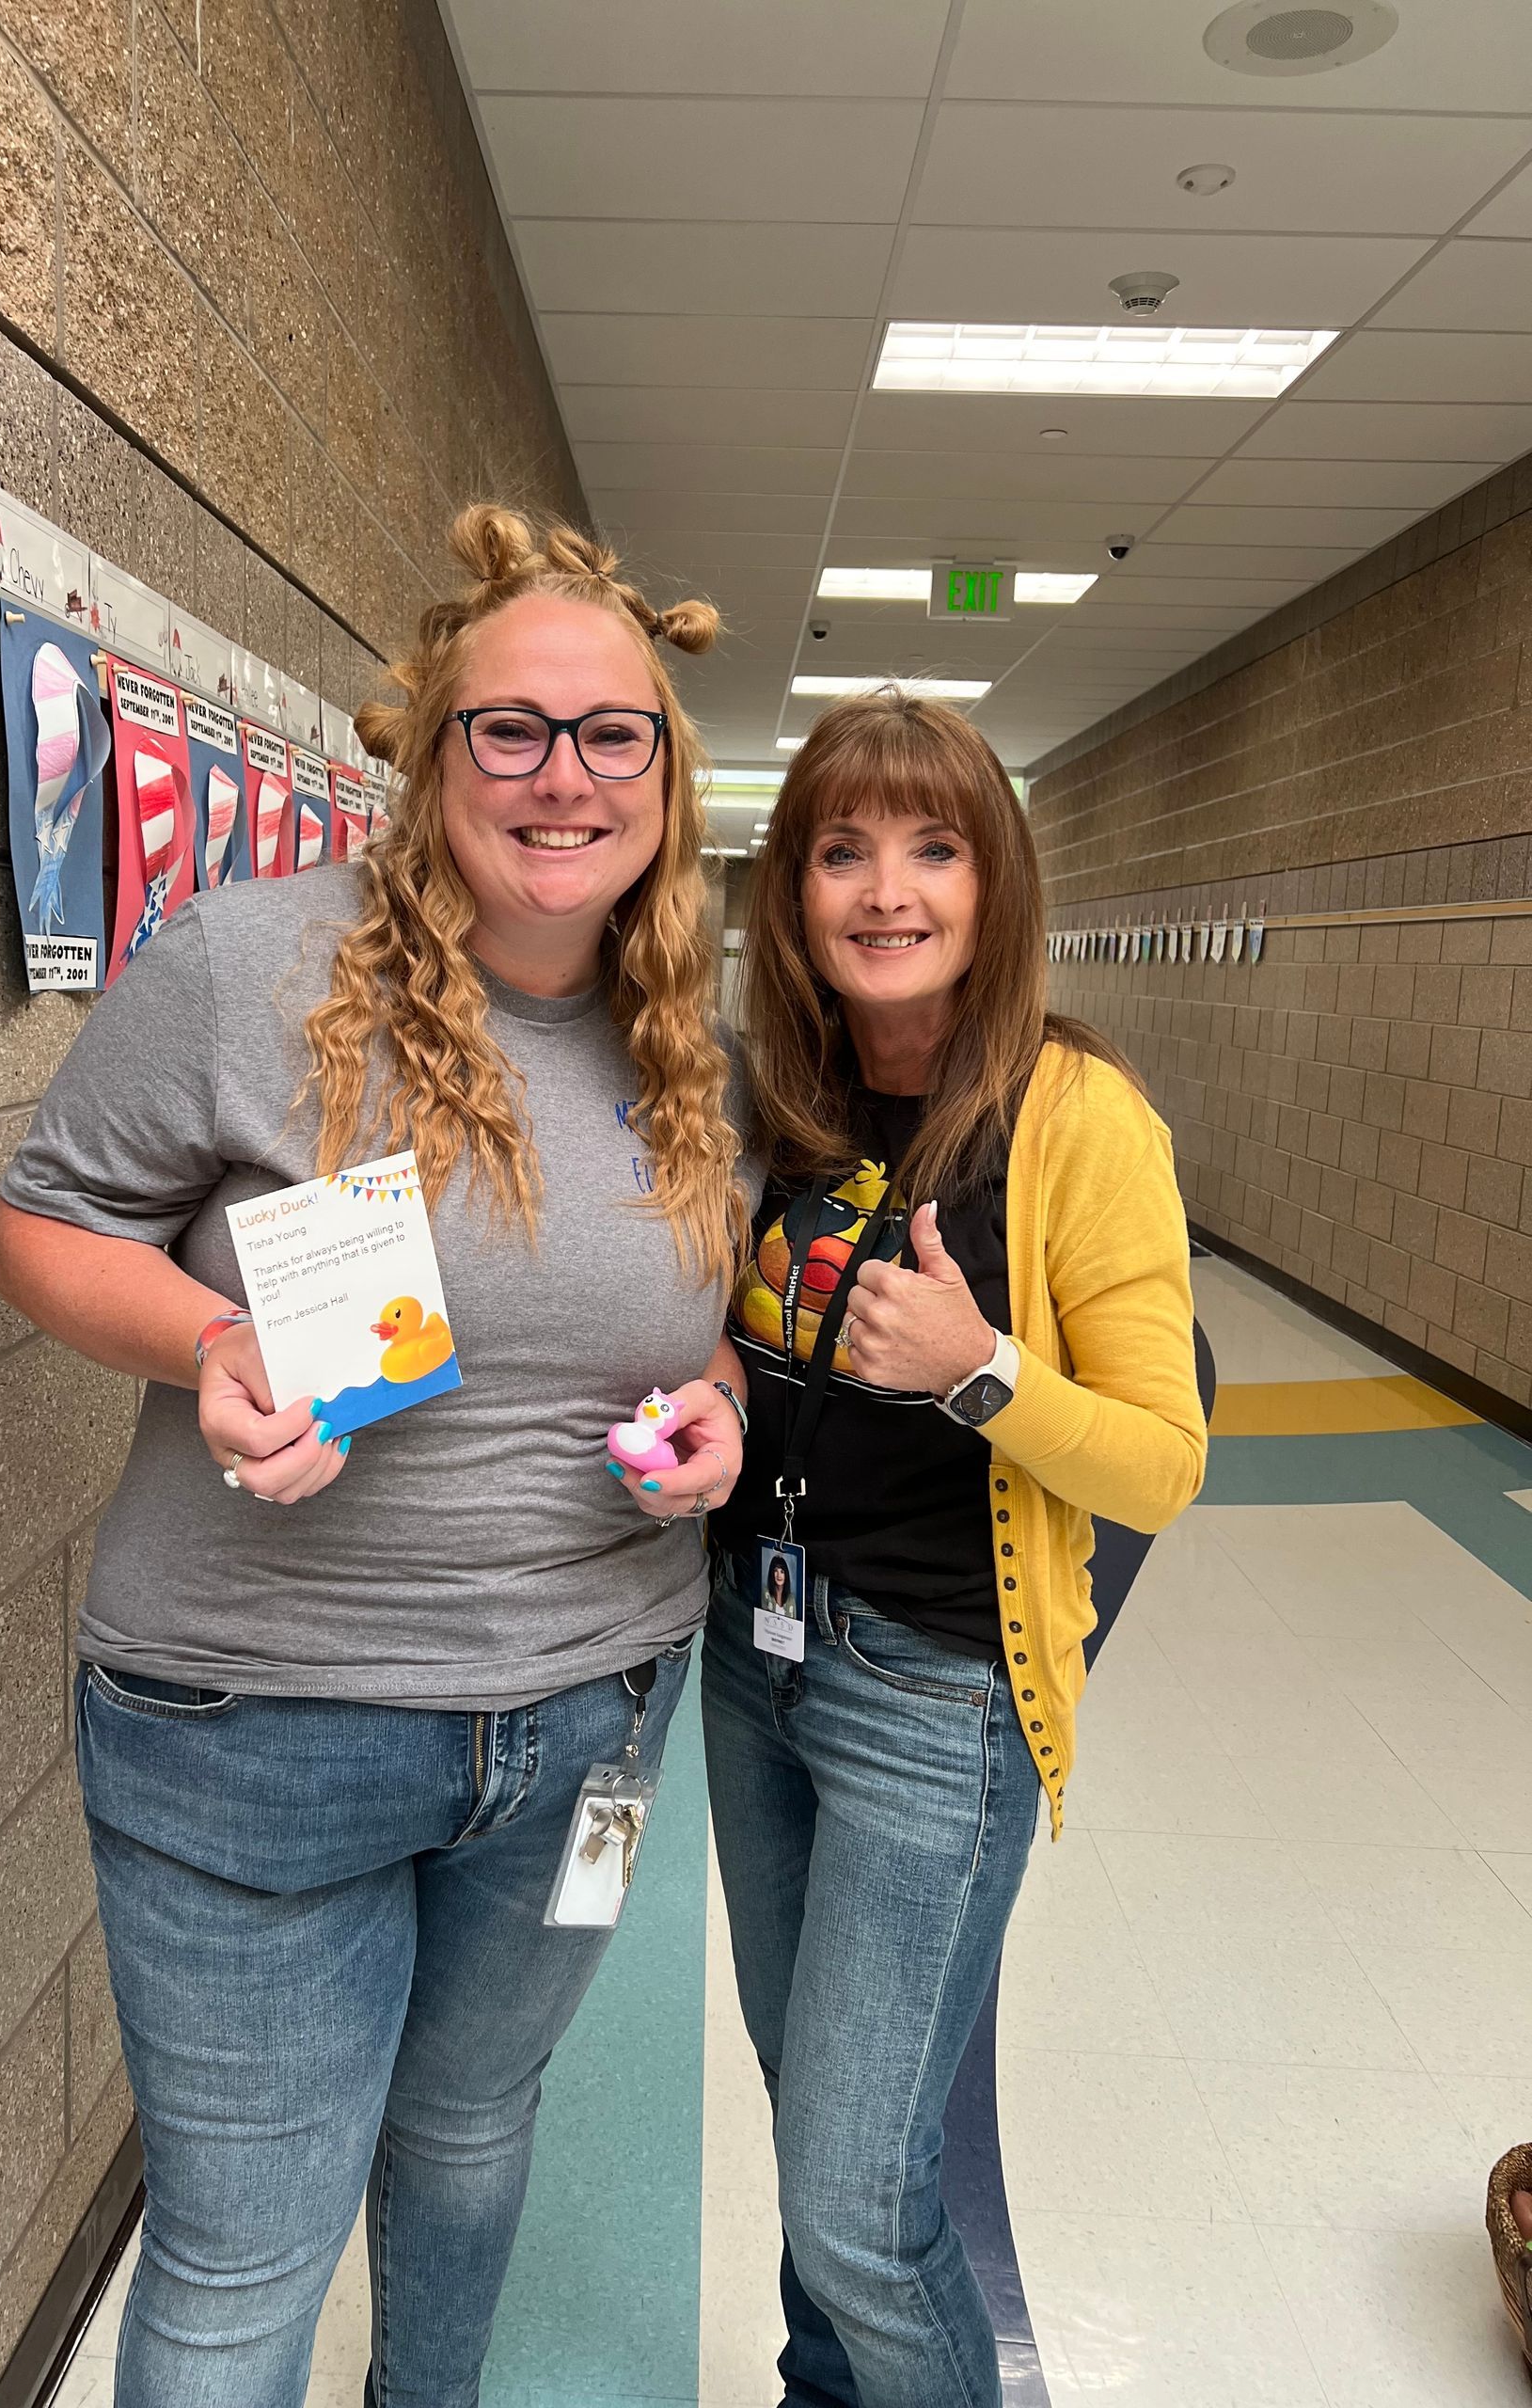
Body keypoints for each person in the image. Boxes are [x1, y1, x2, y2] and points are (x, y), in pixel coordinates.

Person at [0, 505, 756, 2408]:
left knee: (479, 2128)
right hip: (261, 1715)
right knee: (248, 2249)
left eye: (611, 734)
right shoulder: (249, 965)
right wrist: (218, 1340)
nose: (561, 776)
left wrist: (720, 1405)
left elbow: (690, 1308)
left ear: (665, 771)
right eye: (509, 727)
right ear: (426, 756)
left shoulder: (693, 1043)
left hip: (591, 1718)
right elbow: (44, 1220)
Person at [703, 689, 1207, 2408]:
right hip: (751, 1665)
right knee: (821, 2130)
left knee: (856, 2197)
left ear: (997, 886)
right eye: (841, 848)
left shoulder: (1078, 1119)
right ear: (792, 893)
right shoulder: (782, 1101)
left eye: (935, 846)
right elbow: (737, 1340)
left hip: (935, 1701)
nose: (887, 887)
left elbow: (1164, 1458)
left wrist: (980, 1374)